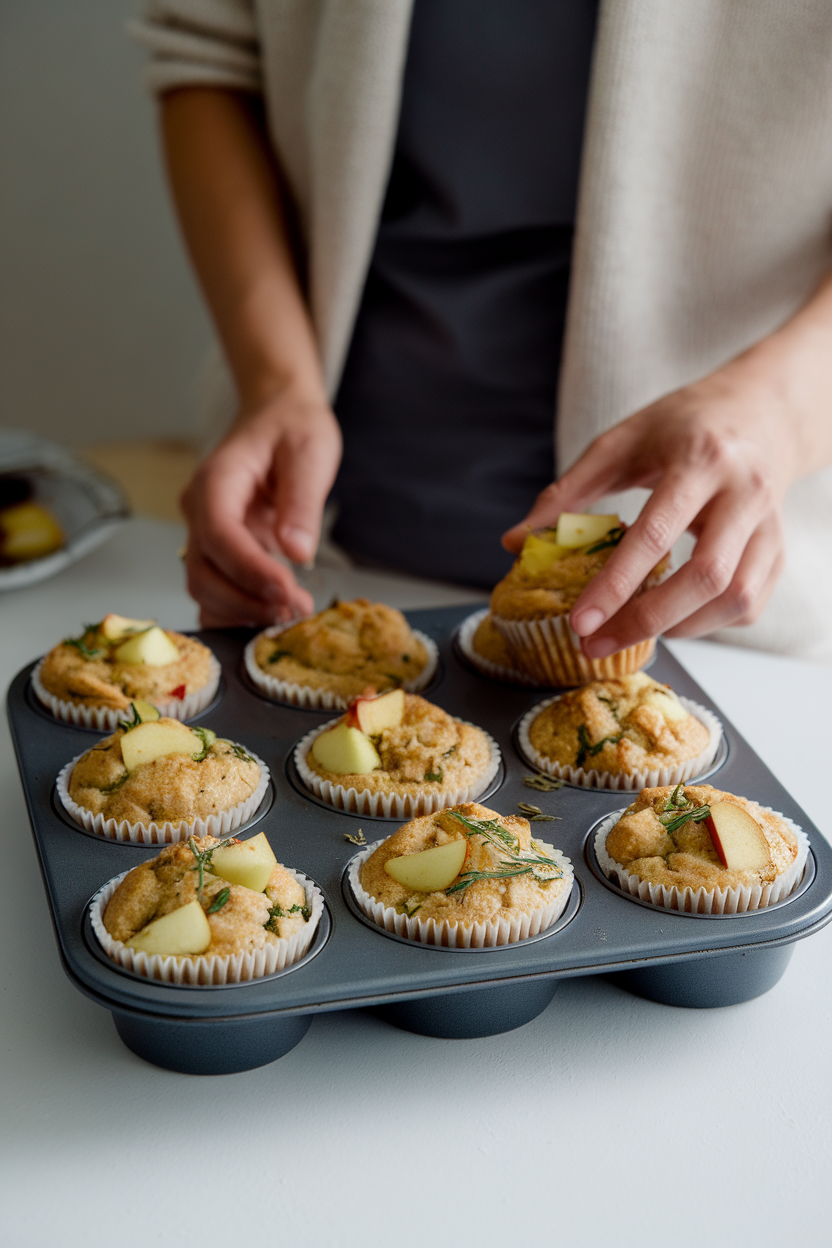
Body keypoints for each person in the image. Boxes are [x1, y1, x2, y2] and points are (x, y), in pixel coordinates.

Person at [134, 1, 832, 661]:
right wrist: (275, 383)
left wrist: (776, 413)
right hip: (315, 561)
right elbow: (211, 52)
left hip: (708, 606)